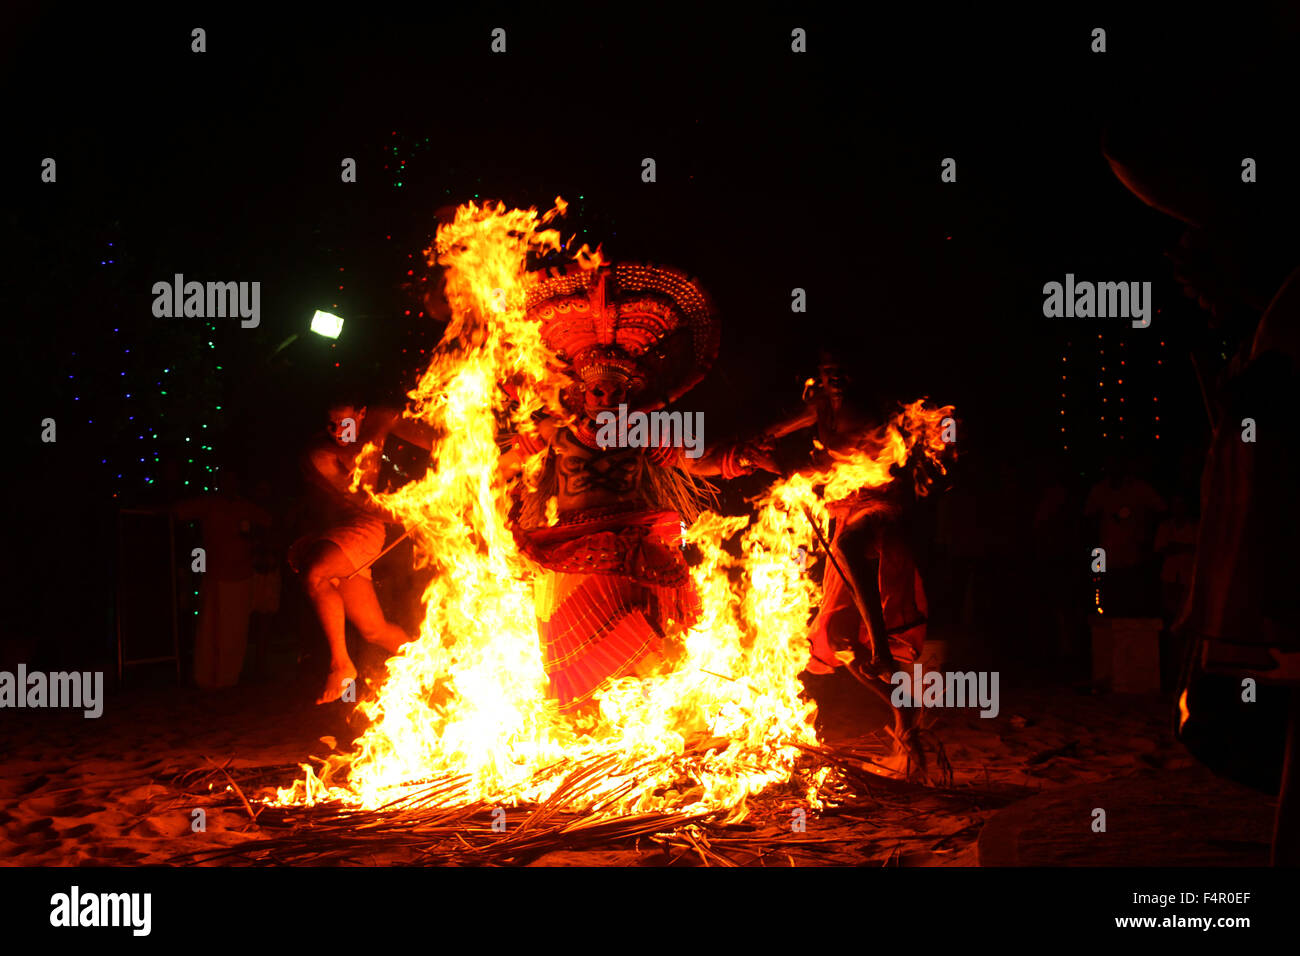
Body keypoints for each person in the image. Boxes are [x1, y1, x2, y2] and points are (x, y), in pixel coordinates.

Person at [502, 263, 761, 715]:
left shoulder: (645, 432)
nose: (605, 399)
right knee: (575, 651)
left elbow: (695, 460)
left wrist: (739, 459)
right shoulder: (554, 433)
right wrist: (477, 486)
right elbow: (500, 466)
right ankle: (591, 723)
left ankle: (648, 724)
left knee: (645, 638)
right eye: (597, 391)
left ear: (627, 396)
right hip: (570, 544)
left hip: (632, 542)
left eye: (614, 393)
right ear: (583, 394)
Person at [290, 393, 435, 704]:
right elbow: (363, 500)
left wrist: (461, 454)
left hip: (364, 528)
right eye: (330, 425)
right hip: (348, 525)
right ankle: (422, 666)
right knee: (373, 629)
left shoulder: (381, 419)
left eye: (344, 423)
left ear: (361, 414)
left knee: (317, 576)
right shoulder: (321, 453)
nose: (337, 431)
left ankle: (343, 664)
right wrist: (412, 513)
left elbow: (436, 441)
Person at [172, 465, 272, 689]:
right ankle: (205, 678)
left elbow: (269, 523)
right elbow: (177, 512)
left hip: (241, 576)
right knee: (209, 630)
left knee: (234, 632)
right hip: (214, 575)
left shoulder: (246, 507)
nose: (229, 484)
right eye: (225, 480)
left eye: (233, 480)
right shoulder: (210, 503)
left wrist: (254, 541)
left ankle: (228, 680)